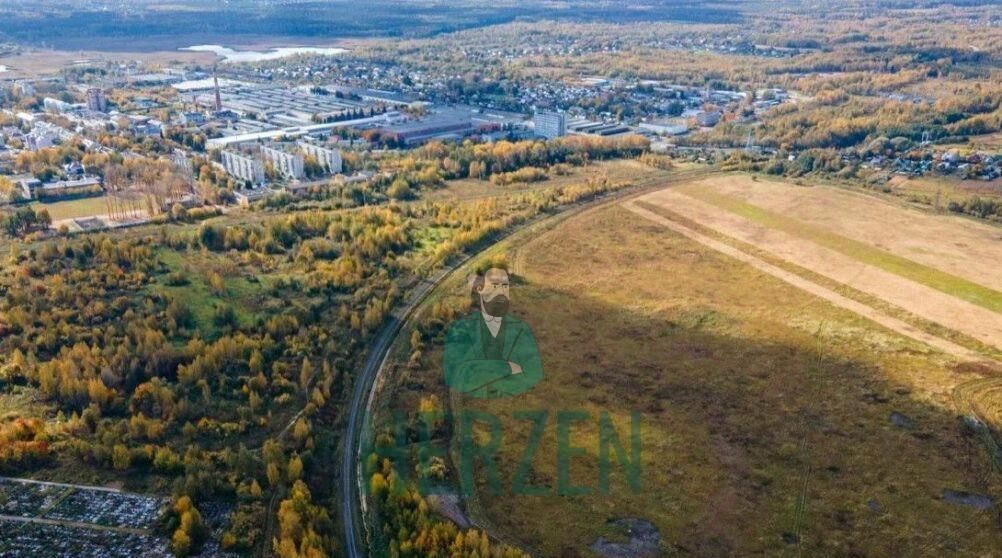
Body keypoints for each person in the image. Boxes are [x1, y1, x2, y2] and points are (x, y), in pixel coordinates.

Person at [443, 267, 543, 398]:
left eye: (504, 288)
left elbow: (534, 373)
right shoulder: (464, 327)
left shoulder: (520, 328)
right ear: (480, 290)